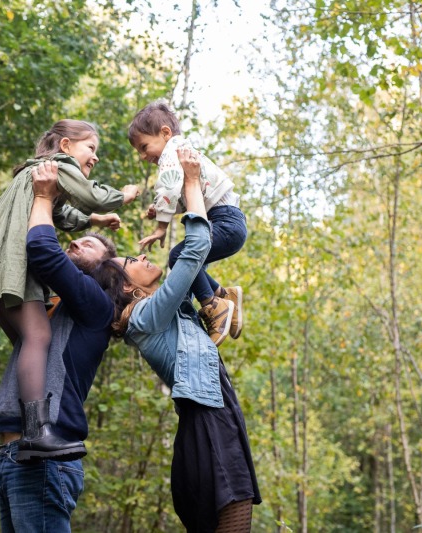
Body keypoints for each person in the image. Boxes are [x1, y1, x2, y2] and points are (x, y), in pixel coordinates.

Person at [0, 120, 139, 462]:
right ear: (66, 146)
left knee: (30, 339)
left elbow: (61, 212)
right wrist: (122, 196)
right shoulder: (60, 166)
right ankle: (37, 432)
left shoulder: (40, 173)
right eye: (91, 148)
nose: (94, 158)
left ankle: (29, 429)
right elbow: (89, 195)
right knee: (39, 336)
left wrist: (94, 223)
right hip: (11, 262)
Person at [103, 148, 262, 532]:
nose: (141, 258)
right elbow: (192, 253)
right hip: (207, 416)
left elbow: (194, 269)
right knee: (234, 516)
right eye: (131, 263)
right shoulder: (144, 318)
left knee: (235, 515)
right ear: (128, 288)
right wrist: (192, 184)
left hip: (215, 408)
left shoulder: (166, 310)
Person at [0, 160, 123, 532]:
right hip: (15, 454)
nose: (74, 242)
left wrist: (43, 195)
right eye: (76, 238)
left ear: (106, 268)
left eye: (86, 245)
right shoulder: (52, 312)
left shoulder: (95, 305)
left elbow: (42, 248)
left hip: (44, 458)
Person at [128, 101, 247, 347]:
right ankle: (224, 295)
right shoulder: (182, 152)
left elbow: (168, 187)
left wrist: (161, 226)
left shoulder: (172, 152)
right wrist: (167, 211)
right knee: (192, 266)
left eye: (144, 146)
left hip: (224, 221)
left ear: (165, 133)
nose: (142, 156)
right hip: (230, 221)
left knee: (179, 257)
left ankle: (213, 306)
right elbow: (185, 196)